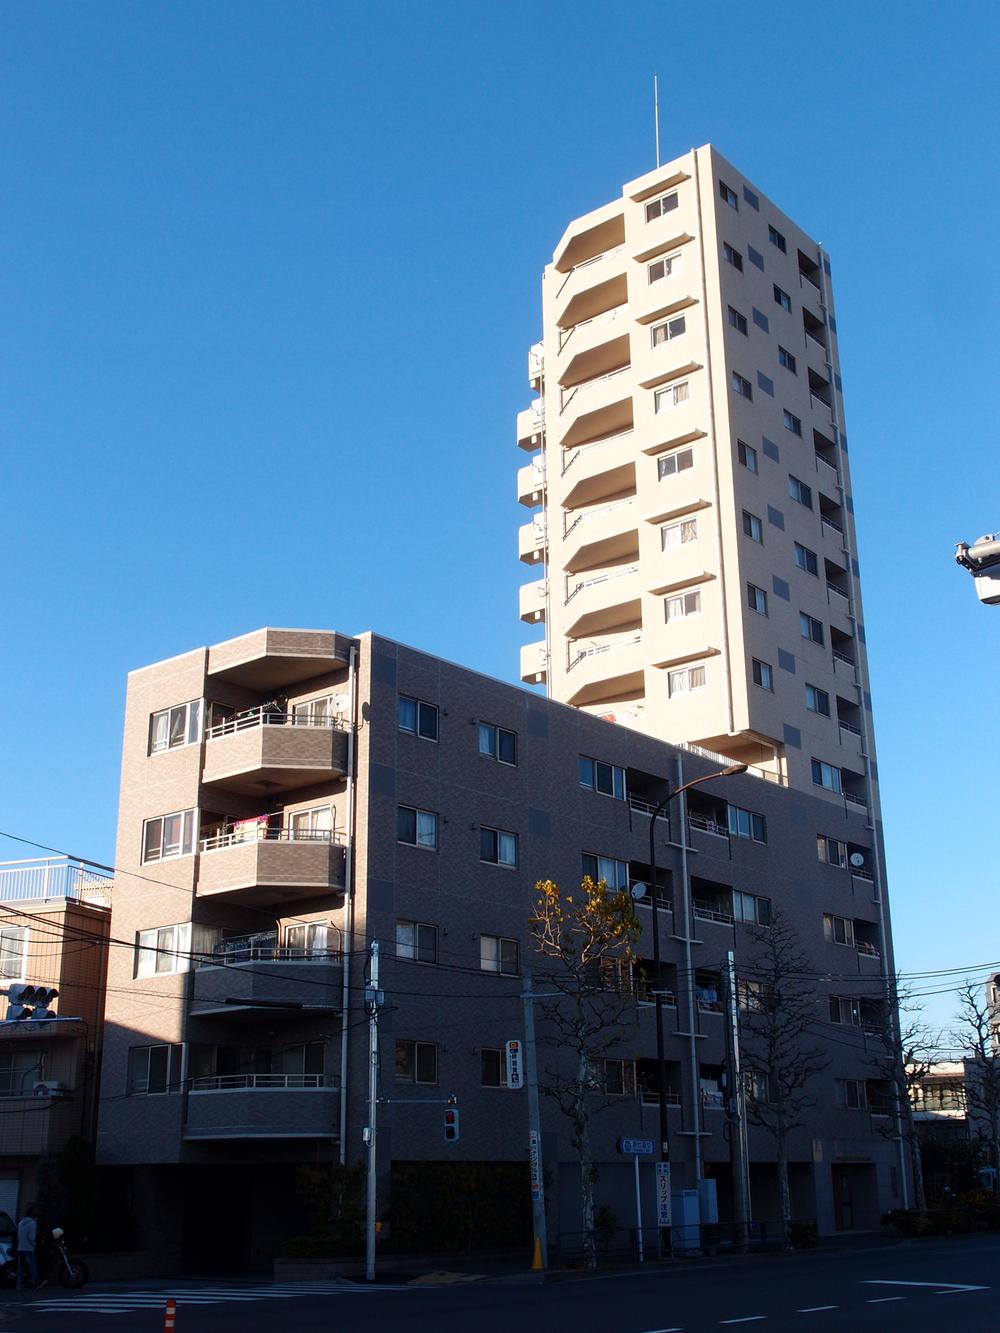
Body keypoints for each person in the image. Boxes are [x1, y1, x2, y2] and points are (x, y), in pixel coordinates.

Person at [16, 1206, 37, 1290]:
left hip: (20, 1247)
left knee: (20, 1268)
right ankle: (34, 1283)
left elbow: (18, 1236)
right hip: (28, 1248)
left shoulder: (20, 1223)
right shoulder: (32, 1223)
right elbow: (32, 1237)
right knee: (33, 1266)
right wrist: (34, 1244)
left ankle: (18, 1285)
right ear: (32, 1215)